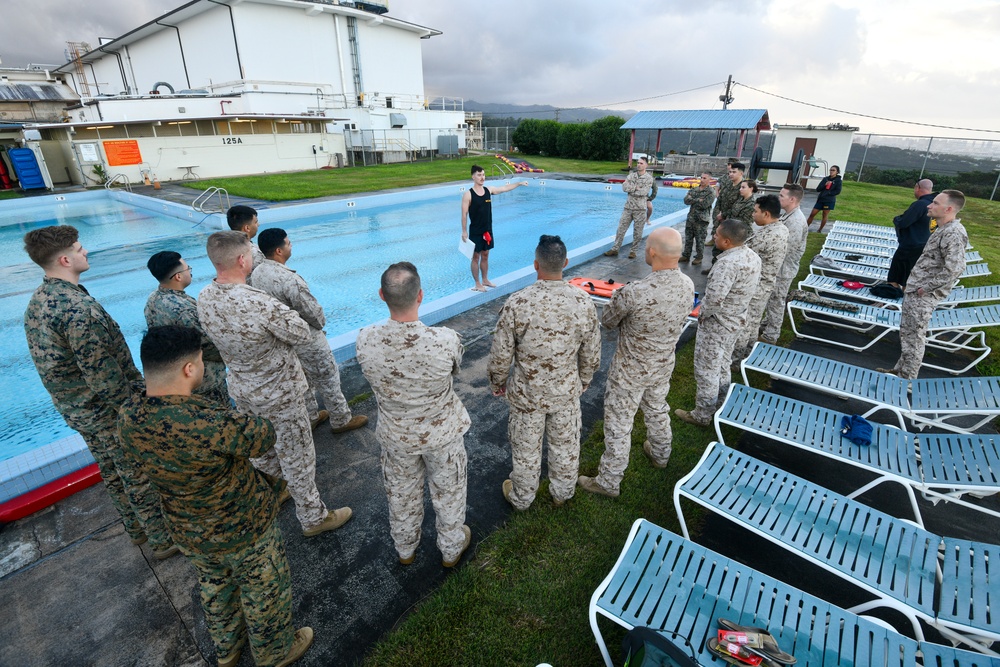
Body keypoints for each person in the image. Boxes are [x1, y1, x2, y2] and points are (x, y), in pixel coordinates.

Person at [118, 325, 313, 667]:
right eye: (201, 361)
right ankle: (274, 652)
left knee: (214, 587)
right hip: (241, 526)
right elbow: (262, 436)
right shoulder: (204, 420)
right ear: (189, 369)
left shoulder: (128, 416)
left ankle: (227, 650)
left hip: (187, 529)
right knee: (264, 587)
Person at [22, 225, 177, 560]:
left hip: (78, 409)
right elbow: (101, 374)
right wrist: (133, 410)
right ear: (65, 258)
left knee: (112, 470)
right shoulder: (78, 310)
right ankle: (162, 539)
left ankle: (136, 530)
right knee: (137, 473)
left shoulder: (42, 299)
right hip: (105, 410)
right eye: (79, 249)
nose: (85, 252)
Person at [198, 231, 352, 538]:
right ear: (243, 260)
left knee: (262, 449)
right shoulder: (259, 303)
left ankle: (275, 490)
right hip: (279, 391)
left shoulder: (204, 297)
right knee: (297, 455)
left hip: (242, 388)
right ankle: (313, 517)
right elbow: (300, 334)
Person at [356, 262, 472, 568]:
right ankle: (450, 550)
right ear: (420, 296)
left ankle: (405, 550)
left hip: (397, 437)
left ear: (381, 295)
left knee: (402, 495)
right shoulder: (445, 340)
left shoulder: (365, 339)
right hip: (442, 434)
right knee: (449, 492)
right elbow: (456, 369)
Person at [577, 228, 693, 498]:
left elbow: (607, 321)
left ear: (652, 252)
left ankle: (608, 481)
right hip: (663, 363)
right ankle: (661, 453)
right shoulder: (687, 284)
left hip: (630, 371)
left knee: (619, 423)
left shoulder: (634, 293)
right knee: (656, 409)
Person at [488, 235, 601, 510]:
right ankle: (562, 493)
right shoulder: (583, 301)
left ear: (535, 264)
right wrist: (584, 379)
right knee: (565, 444)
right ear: (566, 263)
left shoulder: (517, 302)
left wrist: (498, 382)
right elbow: (592, 350)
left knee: (526, 449)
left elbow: (501, 353)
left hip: (528, 395)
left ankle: (523, 497)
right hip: (565, 392)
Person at [251, 228, 368, 435]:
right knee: (328, 377)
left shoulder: (258, 272)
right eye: (288, 243)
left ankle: (312, 416)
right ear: (279, 250)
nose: (291, 245)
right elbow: (312, 313)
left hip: (282, 338)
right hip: (306, 337)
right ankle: (341, 419)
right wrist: (320, 324)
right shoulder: (289, 280)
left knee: (302, 380)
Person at [675, 219, 761, 427]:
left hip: (718, 323)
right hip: (736, 319)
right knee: (722, 363)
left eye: (717, 235)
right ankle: (722, 400)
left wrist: (702, 316)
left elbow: (714, 299)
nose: (714, 236)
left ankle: (702, 414)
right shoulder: (751, 256)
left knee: (707, 368)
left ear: (728, 241)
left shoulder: (727, 264)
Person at [878, 190, 968, 380]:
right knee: (907, 335)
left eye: (935, 203)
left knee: (915, 338)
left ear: (949, 209)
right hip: (915, 291)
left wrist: (926, 288)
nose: (929, 205)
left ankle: (907, 380)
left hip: (924, 295)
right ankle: (899, 371)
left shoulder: (953, 233)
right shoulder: (943, 229)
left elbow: (955, 268)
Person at [144, 251, 230, 406]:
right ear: (178, 276)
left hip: (175, 377)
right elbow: (208, 345)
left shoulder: (153, 299)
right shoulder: (183, 310)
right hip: (205, 382)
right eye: (187, 268)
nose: (189, 272)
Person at [732, 194, 788, 362]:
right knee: (754, 321)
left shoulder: (767, 236)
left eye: (755, 211)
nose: (752, 214)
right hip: (765, 283)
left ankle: (736, 359)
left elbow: (742, 253)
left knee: (745, 324)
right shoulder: (781, 228)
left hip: (756, 286)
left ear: (766, 214)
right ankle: (749, 353)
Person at [460, 164, 528, 292]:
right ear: (473, 177)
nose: (482, 177)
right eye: (479, 175)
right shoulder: (468, 195)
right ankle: (477, 283)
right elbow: (464, 214)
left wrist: (518, 184)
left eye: (483, 175)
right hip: (475, 231)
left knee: (485, 255)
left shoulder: (488, 190)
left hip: (488, 230)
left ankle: (485, 279)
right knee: (475, 257)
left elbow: (504, 188)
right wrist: (464, 231)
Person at [760, 184, 809, 344]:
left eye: (782, 196)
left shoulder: (795, 221)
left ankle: (771, 334)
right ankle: (767, 324)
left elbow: (785, 249)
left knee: (777, 301)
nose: (778, 198)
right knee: (772, 299)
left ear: (792, 199)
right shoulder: (788, 215)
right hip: (779, 268)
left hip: (783, 269)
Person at [604, 156, 657, 259]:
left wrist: (631, 188)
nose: (638, 165)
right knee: (620, 229)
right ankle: (615, 249)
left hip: (640, 209)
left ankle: (633, 251)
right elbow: (624, 187)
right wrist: (635, 188)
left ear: (646, 165)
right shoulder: (631, 175)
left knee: (637, 232)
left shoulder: (649, 178)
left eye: (641, 163)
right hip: (628, 207)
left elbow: (644, 192)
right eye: (638, 163)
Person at [887, 179, 935, 287]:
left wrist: (897, 219)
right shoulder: (933, 204)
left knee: (895, 276)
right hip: (924, 243)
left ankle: (892, 298)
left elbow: (904, 222)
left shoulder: (920, 204)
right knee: (910, 276)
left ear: (918, 188)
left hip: (911, 245)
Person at [705, 173, 754, 275]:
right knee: (717, 250)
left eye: (743, 187)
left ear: (751, 189)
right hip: (729, 227)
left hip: (736, 232)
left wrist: (728, 219)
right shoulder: (741, 199)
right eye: (740, 187)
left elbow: (742, 221)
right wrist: (724, 215)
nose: (740, 189)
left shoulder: (751, 204)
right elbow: (732, 210)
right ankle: (714, 269)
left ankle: (721, 273)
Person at [680, 172, 716, 266]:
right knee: (688, 238)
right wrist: (698, 199)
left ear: (709, 179)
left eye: (705, 178)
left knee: (700, 239)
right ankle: (686, 255)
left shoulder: (711, 192)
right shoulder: (695, 189)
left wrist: (693, 199)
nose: (702, 180)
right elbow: (685, 200)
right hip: (691, 218)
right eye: (701, 177)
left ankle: (699, 257)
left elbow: (704, 204)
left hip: (701, 220)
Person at [708, 161, 744, 243]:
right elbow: (720, 199)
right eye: (730, 172)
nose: (731, 174)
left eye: (734, 172)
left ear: (741, 173)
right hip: (720, 217)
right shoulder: (728, 184)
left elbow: (738, 206)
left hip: (732, 221)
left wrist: (723, 215)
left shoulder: (743, 187)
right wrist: (718, 214)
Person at [227, 205, 265, 270]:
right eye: (255, 222)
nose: (258, 225)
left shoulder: (224, 247)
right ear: (247, 228)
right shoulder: (255, 253)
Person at [806, 165, 842, 232]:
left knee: (824, 214)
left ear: (837, 172)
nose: (831, 171)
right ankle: (805, 228)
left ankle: (820, 229)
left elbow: (838, 191)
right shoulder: (825, 179)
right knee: (812, 214)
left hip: (829, 200)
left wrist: (829, 193)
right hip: (821, 199)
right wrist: (824, 185)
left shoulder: (838, 181)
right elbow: (818, 189)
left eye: (833, 170)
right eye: (830, 170)